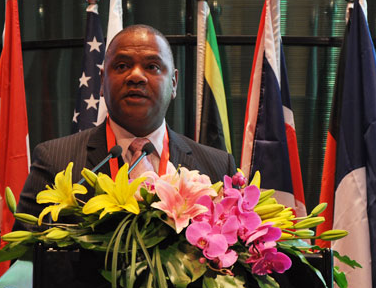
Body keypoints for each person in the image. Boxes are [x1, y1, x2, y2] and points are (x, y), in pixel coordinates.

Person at [16, 24, 236, 224]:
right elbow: (26, 252)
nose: (136, 76)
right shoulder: (55, 162)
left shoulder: (216, 168)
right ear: (102, 81)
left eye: (152, 66)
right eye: (122, 66)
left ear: (174, 83)